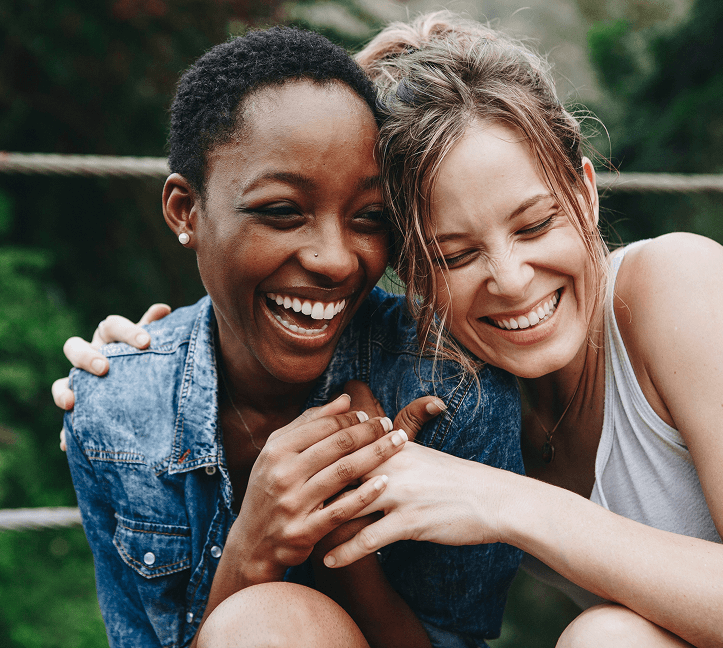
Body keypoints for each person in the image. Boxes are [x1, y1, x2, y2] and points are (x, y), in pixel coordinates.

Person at [59, 25, 523, 648]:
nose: (335, 260)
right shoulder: (115, 411)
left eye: (369, 218)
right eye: (282, 212)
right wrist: (252, 552)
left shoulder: (449, 388)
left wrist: (347, 537)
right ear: (185, 211)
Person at [313, 12, 723, 648]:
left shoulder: (677, 286)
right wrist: (135, 356)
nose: (510, 279)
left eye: (533, 225)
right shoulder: (447, 391)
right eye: (455, 255)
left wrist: (505, 503)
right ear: (413, 277)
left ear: (584, 193)